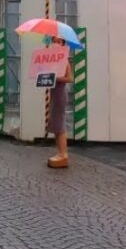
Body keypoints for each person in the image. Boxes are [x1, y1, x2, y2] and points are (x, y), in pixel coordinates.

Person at [46, 41, 74, 169]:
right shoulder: (53, 61)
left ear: (62, 44)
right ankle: (60, 152)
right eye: (54, 41)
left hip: (60, 95)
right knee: (56, 125)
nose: (55, 43)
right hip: (54, 94)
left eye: (58, 41)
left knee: (60, 125)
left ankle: (63, 154)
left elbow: (69, 78)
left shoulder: (65, 60)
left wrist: (55, 78)